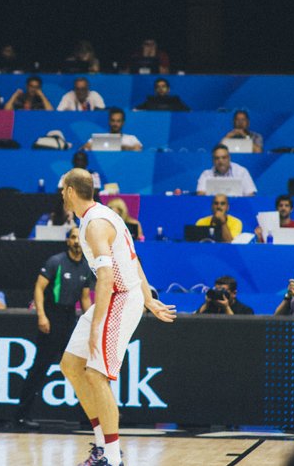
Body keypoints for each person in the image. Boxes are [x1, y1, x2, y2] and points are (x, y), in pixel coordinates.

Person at [59, 168, 175, 466]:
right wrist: (148, 298)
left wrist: (96, 325)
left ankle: (112, 458)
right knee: (71, 365)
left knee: (96, 375)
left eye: (62, 190)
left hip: (119, 298)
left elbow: (107, 277)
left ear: (71, 191)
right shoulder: (103, 214)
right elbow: (133, 259)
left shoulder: (96, 225)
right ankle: (102, 445)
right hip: (121, 295)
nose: (61, 195)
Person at [15, 227, 94, 429]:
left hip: (70, 318)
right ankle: (21, 416)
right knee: (40, 368)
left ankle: (89, 418)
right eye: (73, 237)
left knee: (79, 368)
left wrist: (92, 322)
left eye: (80, 238)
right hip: (52, 315)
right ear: (68, 241)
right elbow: (39, 288)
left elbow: (85, 298)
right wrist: (41, 315)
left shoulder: (86, 267)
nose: (77, 241)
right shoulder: (56, 261)